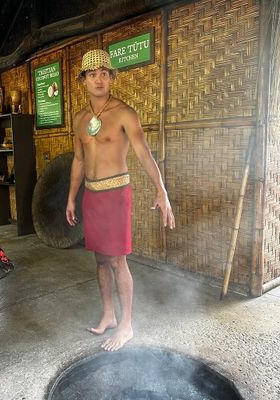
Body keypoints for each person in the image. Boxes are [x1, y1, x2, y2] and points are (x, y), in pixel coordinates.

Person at [66, 49, 175, 352]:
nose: (99, 79)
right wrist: (71, 198)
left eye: (104, 73)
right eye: (92, 74)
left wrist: (161, 190)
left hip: (116, 194)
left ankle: (126, 325)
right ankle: (109, 315)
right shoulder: (80, 119)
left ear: (111, 77)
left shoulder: (125, 113)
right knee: (100, 259)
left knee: (117, 260)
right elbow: (78, 160)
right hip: (91, 194)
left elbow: (144, 153)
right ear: (83, 80)